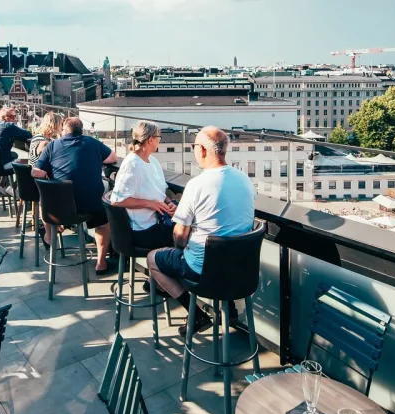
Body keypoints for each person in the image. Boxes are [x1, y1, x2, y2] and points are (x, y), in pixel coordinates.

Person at [146, 127, 255, 335]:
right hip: (241, 269)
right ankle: (228, 308)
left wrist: (183, 234)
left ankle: (195, 314)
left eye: (194, 146)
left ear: (203, 150)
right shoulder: (244, 180)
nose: (193, 150)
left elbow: (179, 237)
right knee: (221, 243)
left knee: (154, 259)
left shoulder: (197, 185)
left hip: (203, 272)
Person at [32, 117, 119, 275]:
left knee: (46, 199)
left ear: (64, 130)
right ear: (82, 130)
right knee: (103, 225)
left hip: (59, 209)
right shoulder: (92, 142)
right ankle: (101, 263)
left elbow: (36, 172)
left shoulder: (52, 145)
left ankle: (50, 237)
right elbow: (113, 158)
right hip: (90, 204)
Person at [111, 121, 175, 250]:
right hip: (143, 230)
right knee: (188, 234)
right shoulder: (132, 164)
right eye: (159, 138)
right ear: (151, 139)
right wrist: (150, 204)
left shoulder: (153, 160)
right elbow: (116, 200)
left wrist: (170, 203)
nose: (160, 141)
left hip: (159, 221)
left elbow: (160, 190)